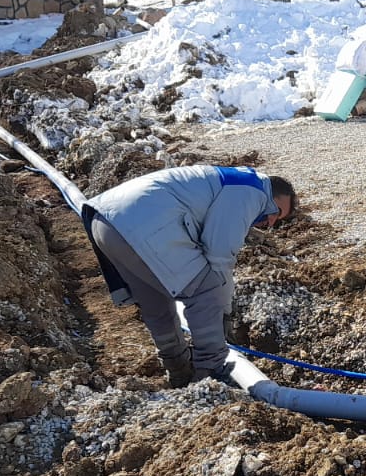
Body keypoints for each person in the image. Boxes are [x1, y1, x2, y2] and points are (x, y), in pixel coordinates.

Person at [82, 165, 296, 386]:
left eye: (278, 221)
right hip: (141, 223)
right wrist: (222, 312)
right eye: (277, 211)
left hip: (106, 223)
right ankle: (211, 374)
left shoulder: (233, 180)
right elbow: (219, 254)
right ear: (272, 193)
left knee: (156, 302)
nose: (271, 222)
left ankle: (179, 371)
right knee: (206, 288)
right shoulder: (254, 190)